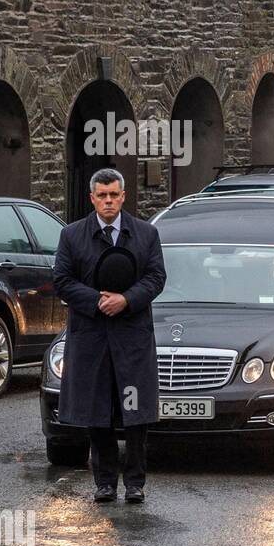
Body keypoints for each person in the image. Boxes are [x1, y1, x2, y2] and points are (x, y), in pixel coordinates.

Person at [53, 169, 166, 504]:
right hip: (91, 336)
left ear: (123, 195)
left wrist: (127, 300)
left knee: (135, 411)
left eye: (114, 195)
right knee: (97, 409)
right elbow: (61, 279)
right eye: (102, 196)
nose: (108, 201)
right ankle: (104, 482)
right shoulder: (73, 236)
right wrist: (98, 302)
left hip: (132, 336)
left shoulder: (146, 234)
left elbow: (156, 276)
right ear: (92, 198)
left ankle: (135, 483)